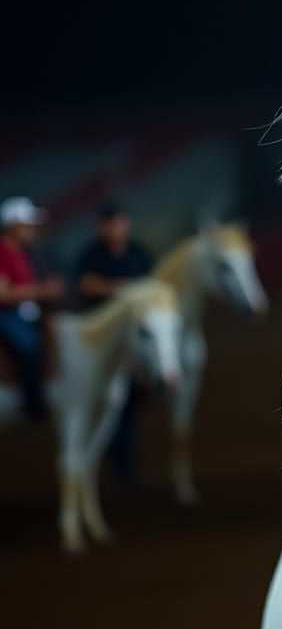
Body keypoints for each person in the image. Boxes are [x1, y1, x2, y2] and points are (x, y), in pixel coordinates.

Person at [75, 201, 154, 485]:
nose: (115, 228)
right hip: (102, 344)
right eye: (110, 223)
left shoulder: (138, 252)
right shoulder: (92, 254)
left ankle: (123, 468)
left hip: (132, 341)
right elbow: (84, 284)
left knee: (126, 407)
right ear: (102, 227)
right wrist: (123, 290)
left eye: (119, 222)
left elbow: (153, 286)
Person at [0, 197, 64, 419]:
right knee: (29, 347)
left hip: (28, 309)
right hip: (7, 312)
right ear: (13, 226)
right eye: (27, 225)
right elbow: (3, 294)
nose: (32, 230)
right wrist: (41, 291)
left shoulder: (25, 252)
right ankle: (32, 403)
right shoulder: (2, 252)